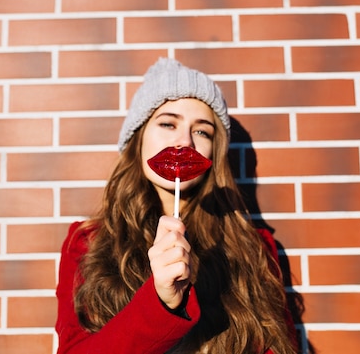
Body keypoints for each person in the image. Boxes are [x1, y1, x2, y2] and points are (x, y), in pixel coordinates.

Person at [55, 57, 298, 354]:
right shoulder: (88, 242)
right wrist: (161, 302)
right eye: (168, 123)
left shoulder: (254, 249)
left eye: (202, 131)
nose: (184, 142)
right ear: (138, 138)